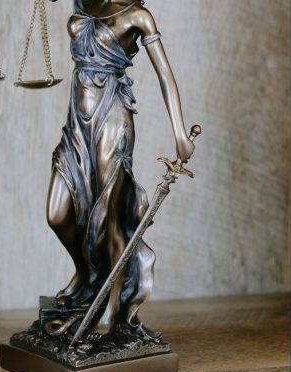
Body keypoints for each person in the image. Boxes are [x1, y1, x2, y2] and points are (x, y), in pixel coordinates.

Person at [47, 0, 194, 341]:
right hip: (77, 123)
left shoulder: (138, 15)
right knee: (57, 214)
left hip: (112, 117)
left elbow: (165, 75)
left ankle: (112, 307)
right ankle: (86, 275)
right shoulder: (84, 2)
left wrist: (179, 133)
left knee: (109, 218)